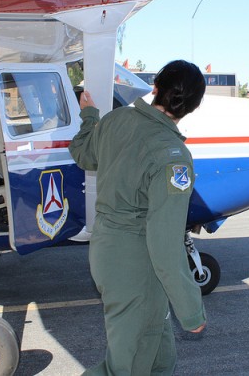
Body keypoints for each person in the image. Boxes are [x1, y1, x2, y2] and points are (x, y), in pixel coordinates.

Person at [69, 60, 207, 375]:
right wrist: (191, 310)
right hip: (137, 267)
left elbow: (83, 153)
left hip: (107, 253)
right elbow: (164, 241)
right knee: (127, 367)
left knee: (159, 358)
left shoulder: (116, 120)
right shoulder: (172, 156)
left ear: (155, 88)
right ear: (192, 107)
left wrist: (90, 116)